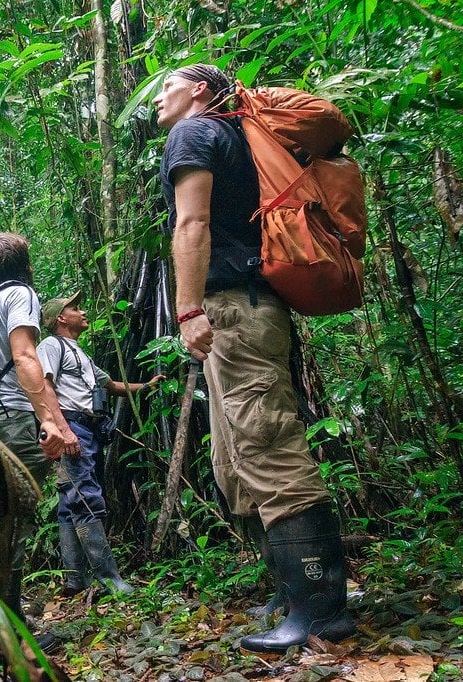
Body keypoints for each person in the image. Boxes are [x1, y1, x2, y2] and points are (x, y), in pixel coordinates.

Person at [153, 63, 356, 652]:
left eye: (168, 86)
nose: (159, 98)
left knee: (267, 448)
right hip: (252, 307)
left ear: (198, 90)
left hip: (232, 310)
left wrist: (187, 309)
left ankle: (321, 611)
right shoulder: (240, 139)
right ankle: (294, 596)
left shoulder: (194, 133)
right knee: (236, 461)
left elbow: (191, 223)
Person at [0, 232, 78, 646]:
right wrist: (47, 421)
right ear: (26, 266)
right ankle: (9, 633)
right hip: (15, 417)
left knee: (1, 517)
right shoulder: (19, 294)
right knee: (14, 520)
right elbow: (24, 356)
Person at [38, 292, 163, 597]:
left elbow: (110, 385)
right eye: (74, 308)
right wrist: (63, 430)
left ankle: (74, 580)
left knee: (71, 502)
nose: (82, 312)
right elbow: (44, 386)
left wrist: (146, 386)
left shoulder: (80, 353)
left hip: (89, 427)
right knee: (86, 498)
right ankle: (109, 578)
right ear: (60, 319)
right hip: (72, 425)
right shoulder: (51, 345)